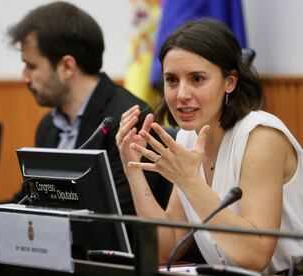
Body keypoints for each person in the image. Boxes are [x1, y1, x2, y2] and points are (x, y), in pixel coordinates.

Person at [116, 18, 303, 274]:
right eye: (171, 80)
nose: (181, 94)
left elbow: (255, 256)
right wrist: (133, 168)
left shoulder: (261, 136)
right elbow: (165, 247)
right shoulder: (187, 137)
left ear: (230, 82)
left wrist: (190, 182)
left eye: (197, 79)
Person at [6, 2, 171, 215]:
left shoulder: (130, 121)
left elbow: (116, 215)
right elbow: (27, 201)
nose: (24, 78)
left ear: (67, 67)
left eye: (32, 66)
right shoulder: (48, 126)